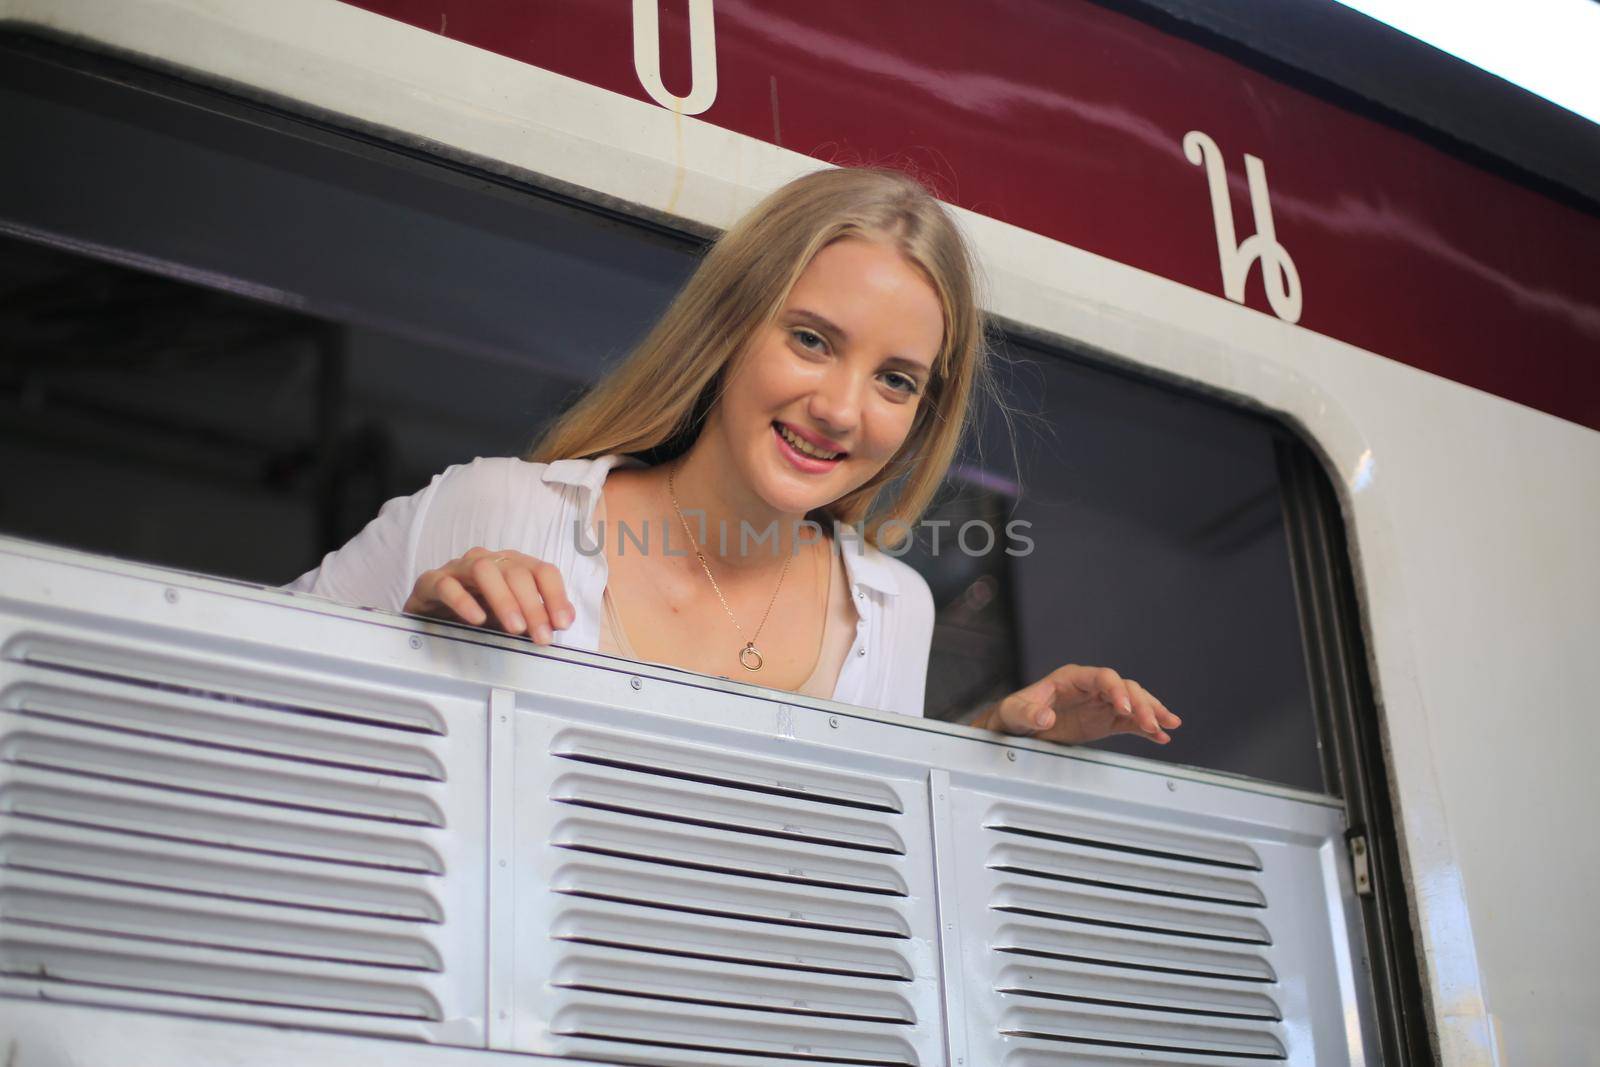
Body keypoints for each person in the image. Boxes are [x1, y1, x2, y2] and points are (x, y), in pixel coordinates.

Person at [286, 166, 1180, 745]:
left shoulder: (894, 613)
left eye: (897, 381)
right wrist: (401, 650)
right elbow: (219, 700)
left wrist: (994, 742)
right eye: (811, 339)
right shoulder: (497, 510)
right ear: (730, 325)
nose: (840, 410)